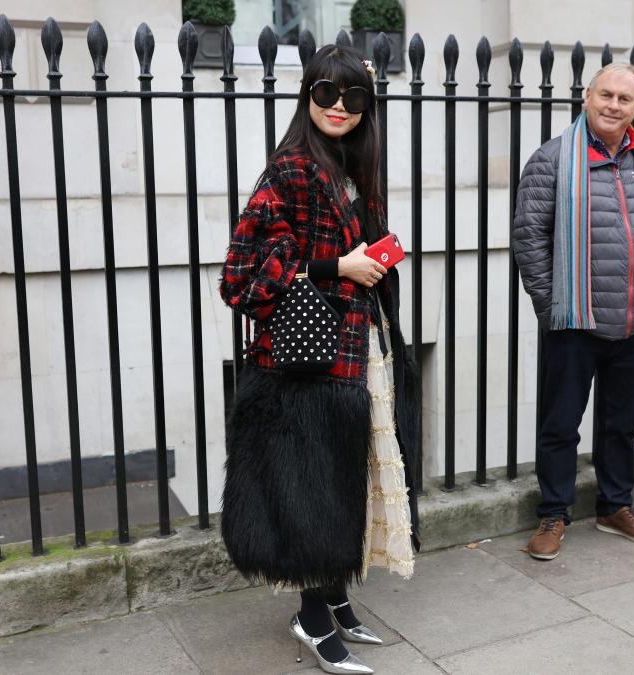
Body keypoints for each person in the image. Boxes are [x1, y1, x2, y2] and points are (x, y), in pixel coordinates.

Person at [219, 45, 420, 674]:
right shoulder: (291, 171)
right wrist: (338, 266)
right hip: (308, 365)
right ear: (307, 97)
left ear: (367, 107)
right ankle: (310, 618)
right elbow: (239, 278)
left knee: (345, 478)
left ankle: (334, 594)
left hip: (357, 349)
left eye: (354, 97)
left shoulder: (354, 170)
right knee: (313, 484)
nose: (339, 107)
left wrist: (377, 255)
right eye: (326, 94)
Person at [512, 62, 634, 561]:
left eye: (625, 99)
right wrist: (554, 309)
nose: (614, 105)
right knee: (560, 424)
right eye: (606, 95)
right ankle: (553, 513)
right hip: (574, 321)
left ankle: (615, 507)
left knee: (622, 422)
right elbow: (528, 240)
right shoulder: (552, 159)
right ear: (587, 97)